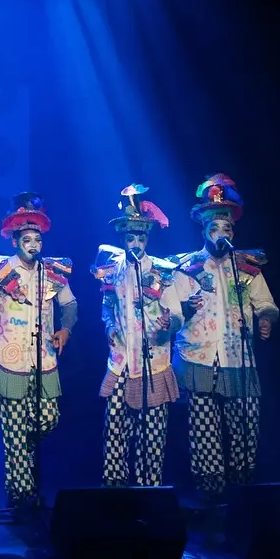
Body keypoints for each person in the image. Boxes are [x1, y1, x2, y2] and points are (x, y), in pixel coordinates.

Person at [0, 192, 77, 514]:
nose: (34, 244)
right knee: (12, 431)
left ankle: (22, 457)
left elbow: (69, 304)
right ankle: (20, 494)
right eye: (27, 239)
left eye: (37, 239)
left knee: (48, 419)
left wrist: (66, 328)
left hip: (45, 359)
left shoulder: (52, 272)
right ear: (15, 242)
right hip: (10, 360)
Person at [171, 174, 278, 501]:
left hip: (237, 357)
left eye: (227, 229)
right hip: (198, 356)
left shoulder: (246, 267)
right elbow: (171, 314)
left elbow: (267, 304)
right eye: (215, 229)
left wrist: (266, 320)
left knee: (244, 426)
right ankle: (211, 494)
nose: (222, 234)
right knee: (204, 431)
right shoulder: (186, 267)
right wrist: (184, 311)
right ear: (204, 231)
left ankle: (243, 495)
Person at [90, 185, 185, 488]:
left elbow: (177, 314)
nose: (136, 243)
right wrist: (109, 327)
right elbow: (107, 308)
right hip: (120, 360)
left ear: (147, 238)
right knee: (115, 426)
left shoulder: (162, 271)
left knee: (152, 432)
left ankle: (149, 488)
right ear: (123, 239)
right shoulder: (111, 269)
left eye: (141, 237)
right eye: (130, 237)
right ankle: (114, 488)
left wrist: (170, 322)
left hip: (153, 361)